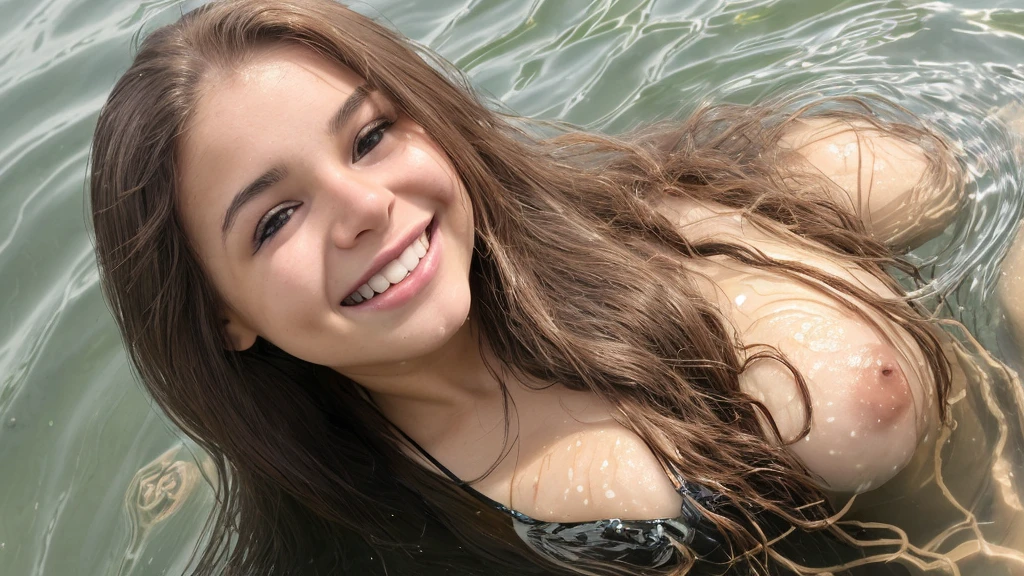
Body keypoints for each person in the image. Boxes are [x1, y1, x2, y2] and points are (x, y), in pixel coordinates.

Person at [88, 0, 1022, 574]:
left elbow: (977, 152)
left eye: (371, 137)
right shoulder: (375, 544)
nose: (364, 206)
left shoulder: (707, 199)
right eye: (275, 219)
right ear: (222, 316)